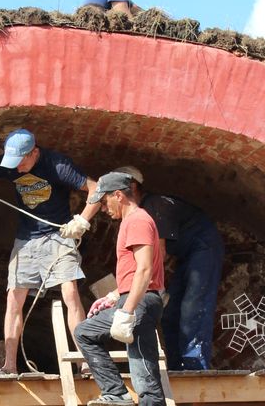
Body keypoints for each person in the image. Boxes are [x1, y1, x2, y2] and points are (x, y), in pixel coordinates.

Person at [0, 129, 98, 374]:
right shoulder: (9, 164)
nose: (16, 169)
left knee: (70, 293)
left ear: (34, 153)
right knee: (13, 299)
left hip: (59, 234)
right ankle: (9, 365)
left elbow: (95, 188)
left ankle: (85, 362)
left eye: (21, 163)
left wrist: (82, 221)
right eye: (12, 164)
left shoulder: (58, 165)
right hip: (26, 238)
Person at [114, 165, 224, 371]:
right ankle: (176, 366)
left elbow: (159, 254)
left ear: (132, 186)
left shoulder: (154, 206)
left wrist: (148, 287)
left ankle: (195, 368)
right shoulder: (141, 212)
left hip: (204, 249)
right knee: (170, 312)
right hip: (187, 256)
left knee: (193, 308)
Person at [74, 172, 167, 406]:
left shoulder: (137, 221)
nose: (104, 209)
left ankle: (117, 393)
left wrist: (127, 310)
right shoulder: (132, 221)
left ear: (119, 195)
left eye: (105, 202)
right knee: (87, 333)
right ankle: (116, 393)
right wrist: (114, 295)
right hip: (136, 299)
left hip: (141, 302)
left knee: (144, 373)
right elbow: (134, 271)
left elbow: (145, 271)